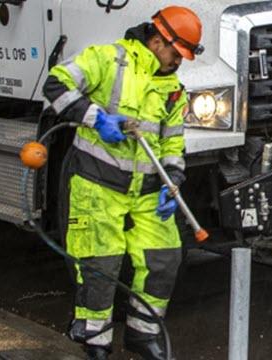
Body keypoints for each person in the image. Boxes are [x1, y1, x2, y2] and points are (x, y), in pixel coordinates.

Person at [40, 5, 201, 360]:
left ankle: (143, 334)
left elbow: (173, 142)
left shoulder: (173, 89)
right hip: (98, 184)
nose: (179, 61)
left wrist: (172, 179)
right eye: (176, 53)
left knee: (164, 259)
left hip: (146, 191)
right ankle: (95, 340)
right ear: (157, 40)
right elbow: (56, 84)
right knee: (101, 264)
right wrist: (95, 118)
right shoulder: (108, 59)